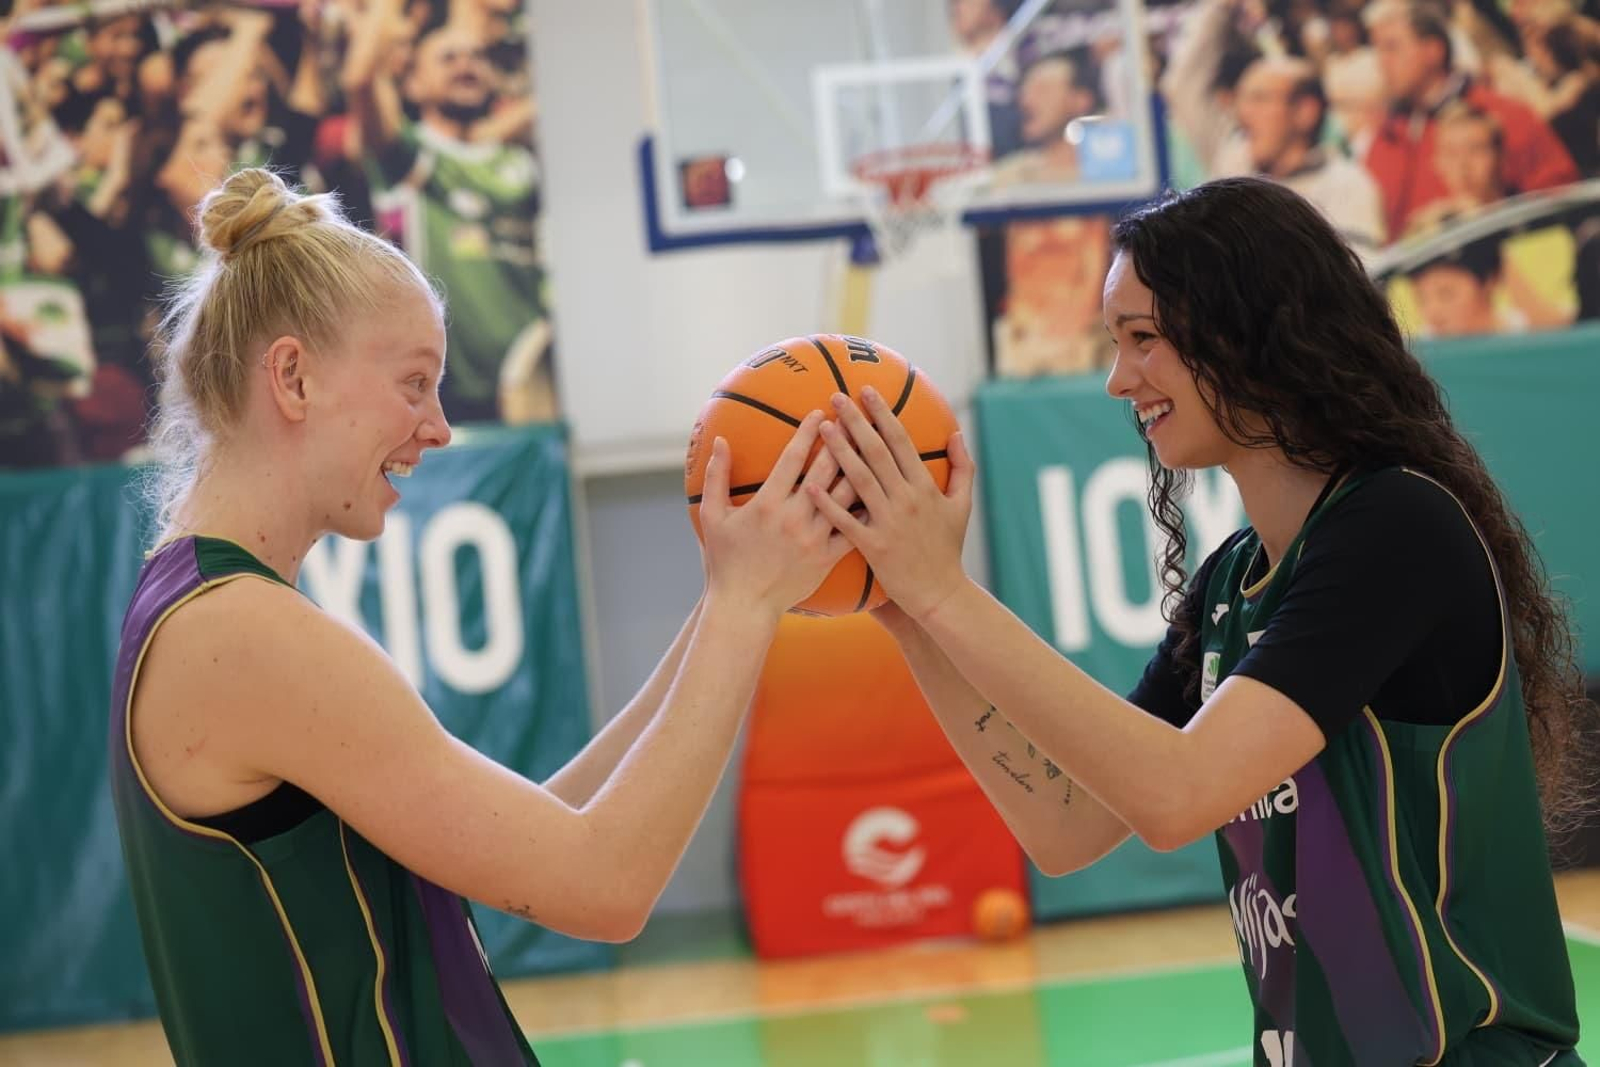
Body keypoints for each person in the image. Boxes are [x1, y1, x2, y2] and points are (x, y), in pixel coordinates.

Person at [809, 177, 1588, 1064]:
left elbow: (1178, 793)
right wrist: (907, 612)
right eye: (1115, 343)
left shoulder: (1395, 530)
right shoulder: (1232, 581)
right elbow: (1064, 827)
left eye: (1143, 338)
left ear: (1251, 330)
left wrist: (946, 590)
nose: (1117, 379)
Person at [110, 168, 855, 1064]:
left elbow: (542, 832)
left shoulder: (204, 608)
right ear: (295, 377)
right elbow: (605, 884)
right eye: (415, 383)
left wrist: (728, 599)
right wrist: (745, 605)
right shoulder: (239, 634)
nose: (438, 426)